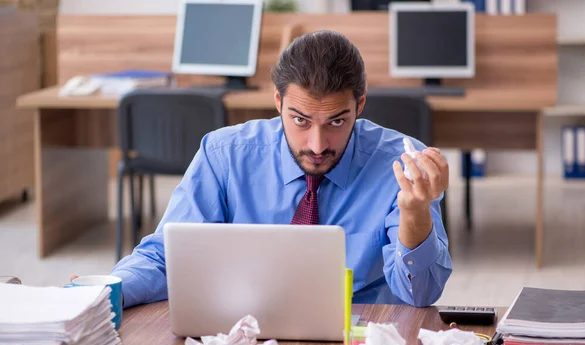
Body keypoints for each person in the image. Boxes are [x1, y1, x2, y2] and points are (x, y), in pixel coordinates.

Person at [108, 30, 452, 308]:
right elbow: (166, 259)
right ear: (278, 103)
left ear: (359, 105)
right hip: (245, 329)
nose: (317, 145)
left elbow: (419, 295)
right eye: (300, 120)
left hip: (361, 338)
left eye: (337, 121)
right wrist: (103, 293)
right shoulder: (224, 155)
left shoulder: (403, 166)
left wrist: (414, 211)